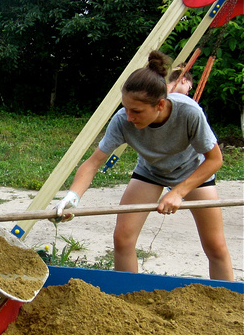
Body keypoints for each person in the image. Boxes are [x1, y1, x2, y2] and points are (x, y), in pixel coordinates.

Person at [54, 50, 234, 281]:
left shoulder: (189, 113)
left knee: (215, 245)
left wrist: (179, 192)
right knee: (122, 238)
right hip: (151, 171)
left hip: (192, 171)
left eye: (136, 111)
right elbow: (93, 163)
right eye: (126, 108)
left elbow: (215, 160)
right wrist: (72, 197)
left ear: (160, 104)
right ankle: (128, 297)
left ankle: (228, 305)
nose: (129, 117)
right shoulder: (123, 119)